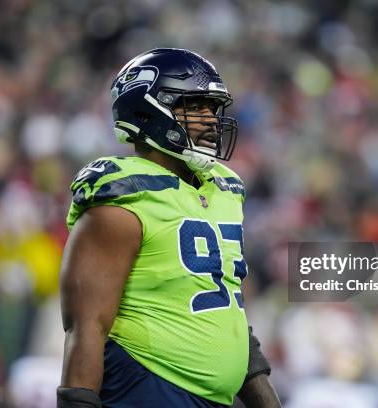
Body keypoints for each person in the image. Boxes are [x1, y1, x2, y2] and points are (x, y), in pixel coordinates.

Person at [57, 48, 281, 408]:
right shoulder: (124, 195)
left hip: (217, 398)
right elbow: (87, 327)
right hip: (148, 388)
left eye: (213, 108)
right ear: (148, 109)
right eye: (196, 107)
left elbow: (228, 310)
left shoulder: (224, 188)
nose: (210, 120)